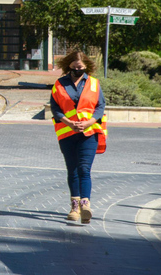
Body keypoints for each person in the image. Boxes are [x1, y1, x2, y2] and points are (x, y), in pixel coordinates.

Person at [50, 50, 107, 224]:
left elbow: (100, 106)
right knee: (72, 170)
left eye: (80, 67)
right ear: (69, 66)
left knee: (84, 169)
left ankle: (85, 206)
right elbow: (55, 108)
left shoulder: (94, 84)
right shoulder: (59, 84)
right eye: (74, 67)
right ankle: (74, 207)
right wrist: (68, 122)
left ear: (85, 67)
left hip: (89, 133)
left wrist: (89, 122)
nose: (77, 70)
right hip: (67, 133)